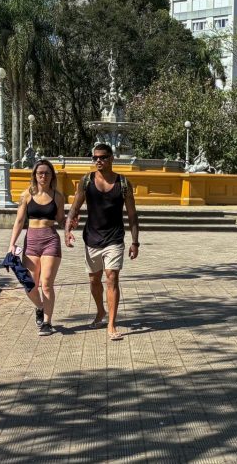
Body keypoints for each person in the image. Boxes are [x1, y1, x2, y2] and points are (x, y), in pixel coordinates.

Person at [66, 143, 141, 341]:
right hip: (92, 237)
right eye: (95, 158)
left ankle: (111, 324)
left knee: (112, 278)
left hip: (115, 238)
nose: (98, 160)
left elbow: (132, 215)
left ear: (111, 158)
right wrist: (67, 230)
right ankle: (100, 311)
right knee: (94, 280)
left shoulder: (123, 183)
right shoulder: (86, 181)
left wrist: (135, 242)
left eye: (103, 157)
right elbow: (74, 208)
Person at [7, 159, 67, 336]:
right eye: (40, 173)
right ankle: (40, 307)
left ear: (52, 176)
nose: (43, 176)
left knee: (46, 283)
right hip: (31, 240)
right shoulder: (26, 195)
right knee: (29, 284)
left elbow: (60, 219)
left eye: (47, 173)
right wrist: (12, 244)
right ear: (34, 175)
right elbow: (19, 221)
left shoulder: (58, 196)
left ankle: (47, 322)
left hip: (50, 239)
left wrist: (68, 225)